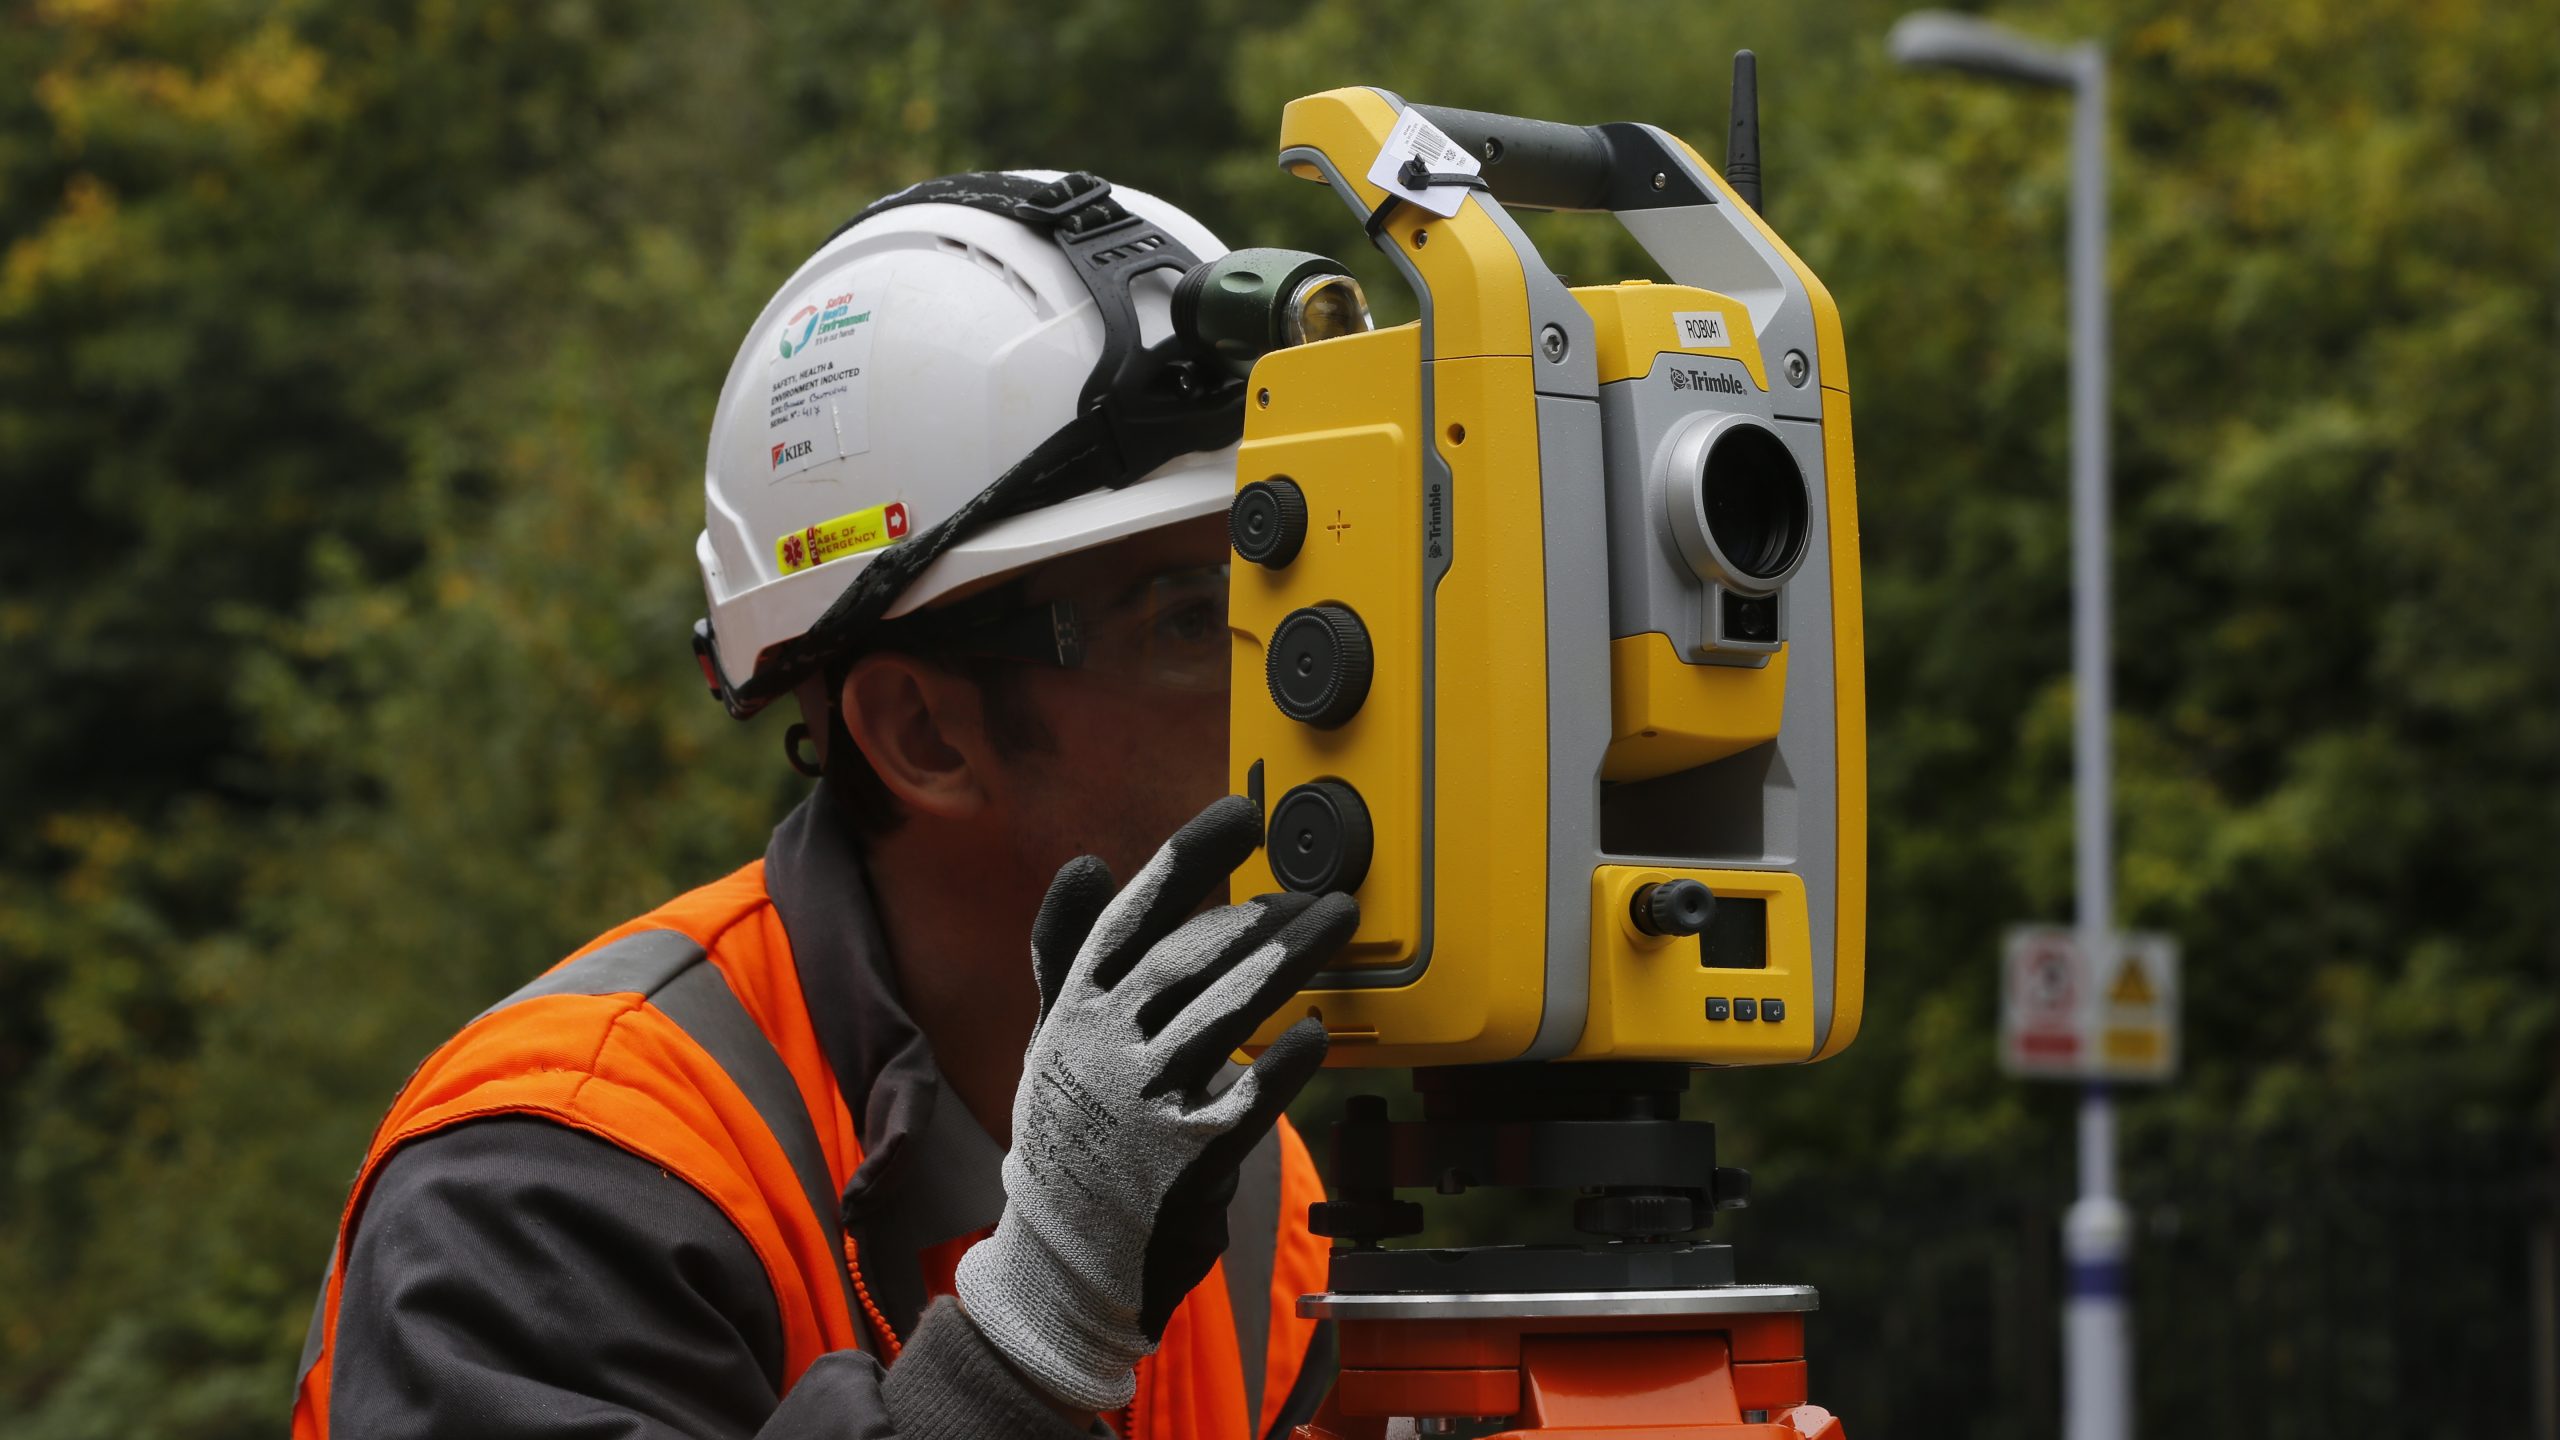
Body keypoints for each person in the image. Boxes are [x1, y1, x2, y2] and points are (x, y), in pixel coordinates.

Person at [290, 171, 1357, 1439]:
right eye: (1187, 621)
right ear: (922, 734)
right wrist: (1036, 1336)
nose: (1291, 684)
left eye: (1280, 598)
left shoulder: (1237, 1188)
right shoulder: (556, 1175)